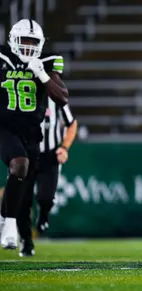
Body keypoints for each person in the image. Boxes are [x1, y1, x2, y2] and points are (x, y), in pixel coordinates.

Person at [0, 19, 69, 250]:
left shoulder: (47, 62)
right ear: (13, 41)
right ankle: (9, 228)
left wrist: (42, 74)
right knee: (19, 166)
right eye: (24, 41)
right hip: (5, 126)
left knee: (22, 180)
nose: (28, 47)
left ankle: (5, 219)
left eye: (33, 42)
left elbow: (62, 97)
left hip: (32, 132)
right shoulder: (3, 58)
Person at [17, 96, 77, 257]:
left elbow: (72, 123)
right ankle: (26, 241)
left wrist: (64, 148)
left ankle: (44, 214)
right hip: (25, 155)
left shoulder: (54, 98)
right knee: (22, 201)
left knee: (45, 196)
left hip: (48, 156)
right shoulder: (18, 94)